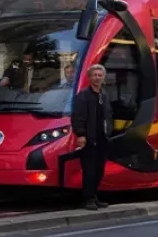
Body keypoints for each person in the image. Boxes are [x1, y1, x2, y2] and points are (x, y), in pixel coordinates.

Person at [71, 64, 112, 211]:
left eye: (100, 75)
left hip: (102, 138)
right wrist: (80, 134)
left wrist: (109, 131)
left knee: (99, 169)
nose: (97, 78)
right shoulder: (83, 95)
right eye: (94, 75)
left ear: (103, 77)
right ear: (89, 78)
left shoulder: (105, 95)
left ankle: (94, 196)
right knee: (89, 169)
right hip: (89, 138)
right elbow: (78, 117)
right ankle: (88, 199)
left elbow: (108, 115)